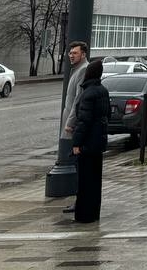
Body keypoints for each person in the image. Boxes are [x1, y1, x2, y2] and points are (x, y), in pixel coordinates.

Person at [71, 59, 109, 223]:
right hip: (98, 142)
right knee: (95, 180)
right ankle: (94, 213)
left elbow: (83, 122)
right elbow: (107, 114)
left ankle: (84, 215)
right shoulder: (103, 91)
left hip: (87, 143)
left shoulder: (88, 94)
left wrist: (76, 143)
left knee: (85, 180)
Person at [60, 41, 90, 215]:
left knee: (79, 164)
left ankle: (80, 200)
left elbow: (78, 100)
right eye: (70, 53)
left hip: (75, 126)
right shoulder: (77, 69)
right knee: (77, 163)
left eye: (75, 53)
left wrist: (70, 123)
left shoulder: (83, 70)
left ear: (83, 54)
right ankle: (79, 200)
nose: (71, 55)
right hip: (74, 123)